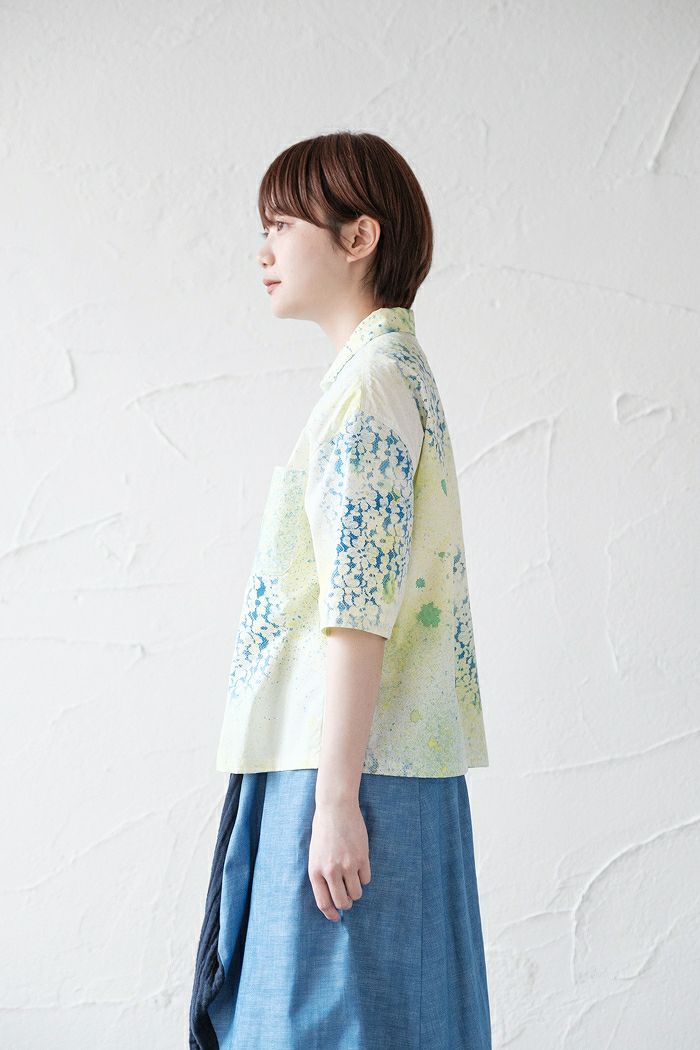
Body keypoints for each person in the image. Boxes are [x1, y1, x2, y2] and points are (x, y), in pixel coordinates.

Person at [189, 130, 492, 1050]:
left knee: (324, 1022)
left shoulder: (369, 387)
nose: (264, 249)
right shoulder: (392, 376)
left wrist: (333, 803)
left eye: (283, 224)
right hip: (382, 766)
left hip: (350, 769)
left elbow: (357, 612)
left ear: (358, 238)